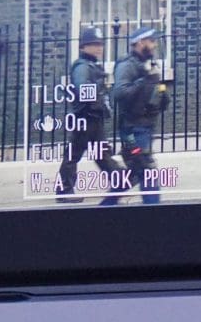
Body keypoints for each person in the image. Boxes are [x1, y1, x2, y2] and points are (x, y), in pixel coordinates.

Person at [57, 27, 129, 205]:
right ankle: (64, 190)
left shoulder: (90, 65)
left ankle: (120, 179)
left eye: (100, 44)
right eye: (94, 44)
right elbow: (83, 89)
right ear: (83, 47)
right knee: (74, 154)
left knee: (101, 152)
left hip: (92, 117)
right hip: (85, 117)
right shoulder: (82, 66)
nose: (99, 48)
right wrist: (97, 100)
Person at [112, 27, 169, 204]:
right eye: (151, 41)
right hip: (133, 129)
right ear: (140, 43)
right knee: (147, 170)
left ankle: (106, 204)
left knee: (137, 172)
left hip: (145, 127)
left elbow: (157, 98)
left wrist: (161, 92)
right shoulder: (126, 65)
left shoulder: (146, 65)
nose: (154, 45)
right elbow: (120, 93)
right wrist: (145, 81)